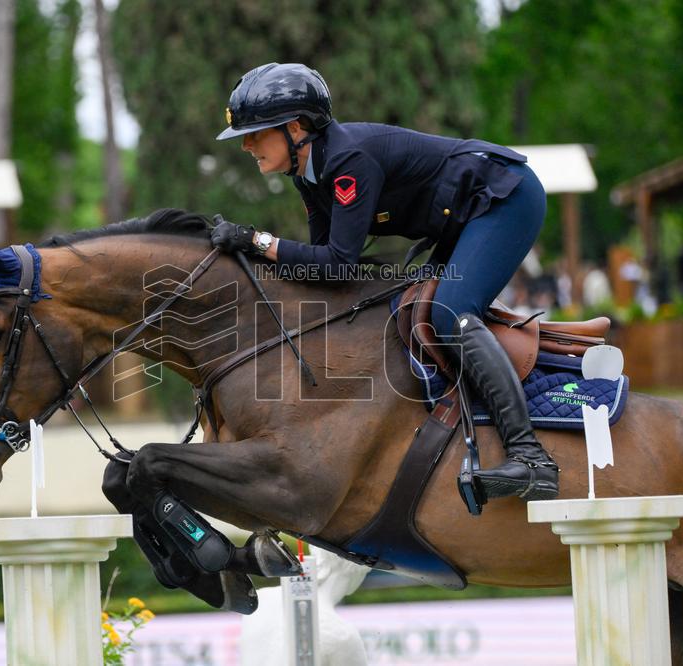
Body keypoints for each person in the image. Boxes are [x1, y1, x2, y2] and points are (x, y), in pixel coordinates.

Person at [210, 62, 558, 503]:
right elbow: (324, 275)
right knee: (410, 314)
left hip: (505, 198)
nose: (245, 146)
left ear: (295, 128)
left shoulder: (348, 160)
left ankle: (532, 460)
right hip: (461, 217)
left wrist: (257, 240)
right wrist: (250, 255)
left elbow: (337, 263)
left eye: (255, 133)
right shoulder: (308, 174)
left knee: (449, 315)